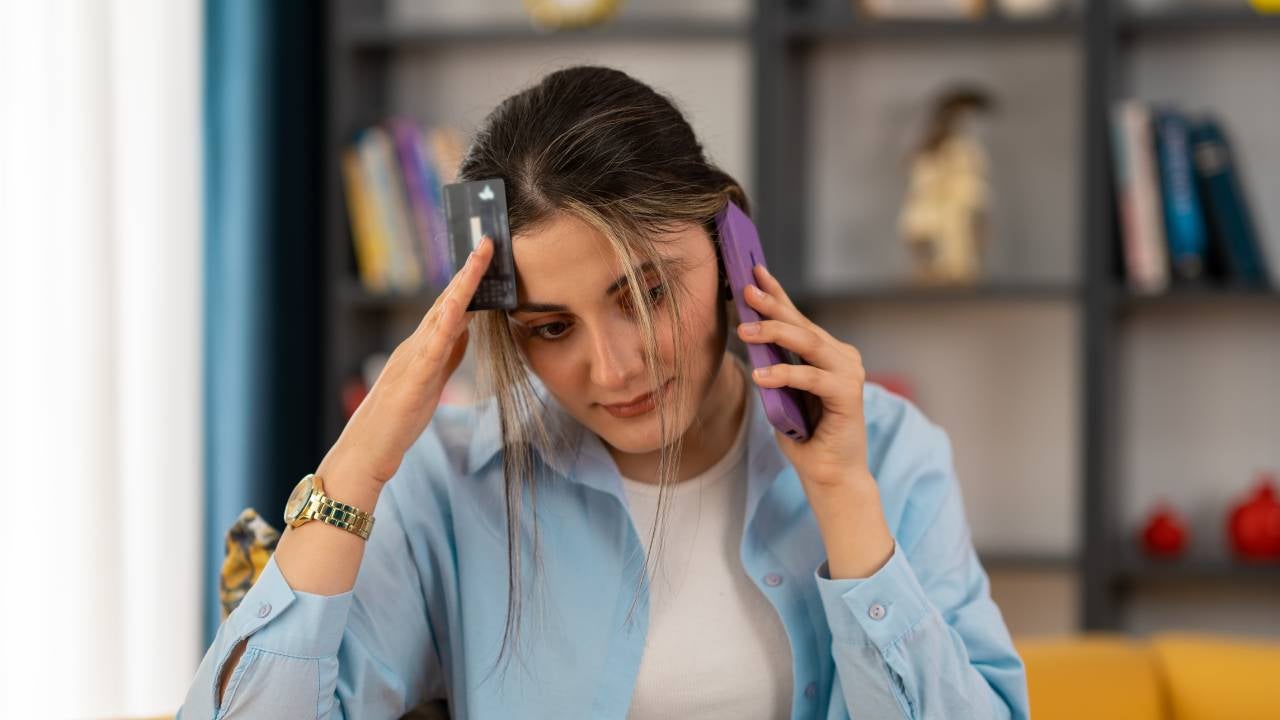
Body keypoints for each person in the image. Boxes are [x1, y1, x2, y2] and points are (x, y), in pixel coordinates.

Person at [179, 65, 1028, 719]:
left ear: (732, 246)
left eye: (647, 292)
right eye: (551, 328)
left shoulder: (886, 452)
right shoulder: (445, 488)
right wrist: (358, 466)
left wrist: (843, 498)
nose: (616, 369)